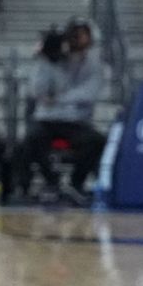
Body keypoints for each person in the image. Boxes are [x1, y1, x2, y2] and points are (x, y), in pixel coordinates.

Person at [14, 19, 105, 200]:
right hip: (47, 119)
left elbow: (88, 94)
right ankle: (50, 180)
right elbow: (38, 91)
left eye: (81, 35)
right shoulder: (51, 58)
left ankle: (76, 182)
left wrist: (58, 99)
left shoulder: (94, 64)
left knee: (97, 141)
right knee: (29, 141)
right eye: (73, 35)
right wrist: (45, 58)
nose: (77, 39)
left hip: (77, 121)